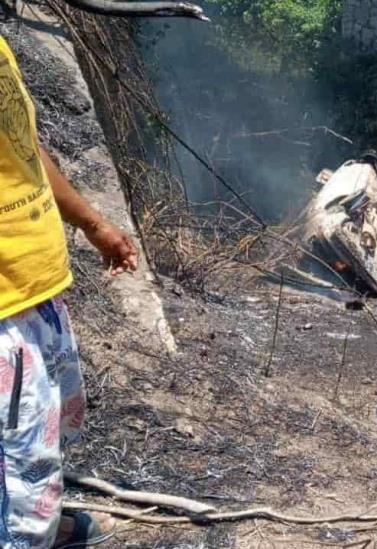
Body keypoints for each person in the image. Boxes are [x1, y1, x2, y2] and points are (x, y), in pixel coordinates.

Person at [0, 36, 137, 547]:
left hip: (33, 293)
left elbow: (22, 143)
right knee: (19, 467)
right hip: (4, 313)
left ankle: (33, 526)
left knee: (33, 449)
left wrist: (92, 223)